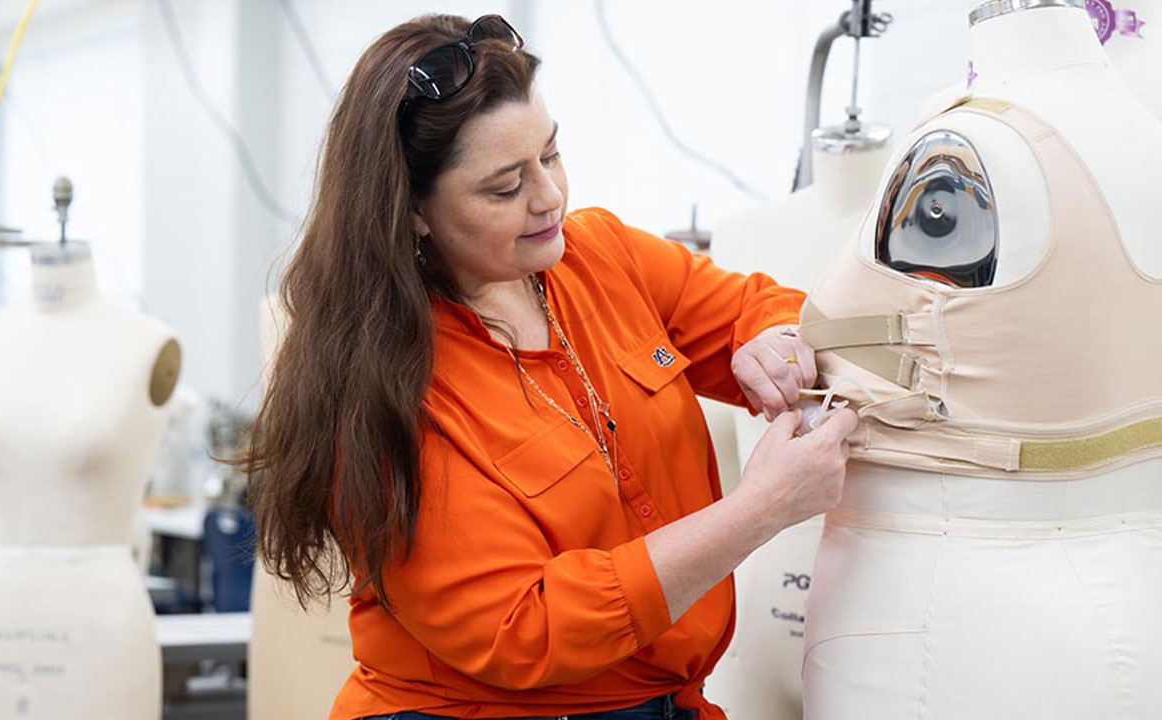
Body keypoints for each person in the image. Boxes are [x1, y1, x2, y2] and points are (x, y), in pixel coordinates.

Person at [243, 13, 856, 720]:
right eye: (505, 188)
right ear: (412, 211)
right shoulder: (387, 387)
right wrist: (758, 510)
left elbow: (755, 305)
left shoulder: (600, 255)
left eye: (552, 154)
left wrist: (774, 338)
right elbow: (525, 629)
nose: (549, 197)